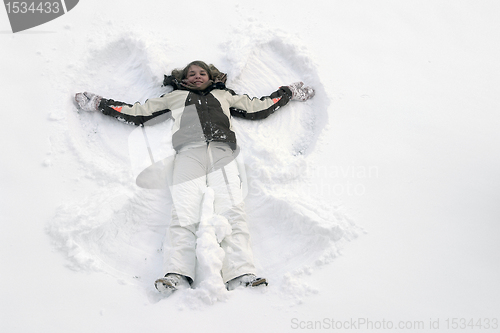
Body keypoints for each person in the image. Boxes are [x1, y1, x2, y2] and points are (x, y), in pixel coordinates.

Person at [75, 60, 315, 295]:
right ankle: (177, 273)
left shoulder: (225, 96)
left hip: (223, 153)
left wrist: (288, 93)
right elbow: (138, 112)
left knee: (232, 210)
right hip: (189, 154)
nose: (197, 76)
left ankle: (241, 273)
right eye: (191, 74)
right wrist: (100, 104)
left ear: (211, 77)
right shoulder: (174, 98)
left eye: (202, 73)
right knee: (183, 210)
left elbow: (258, 107)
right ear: (183, 79)